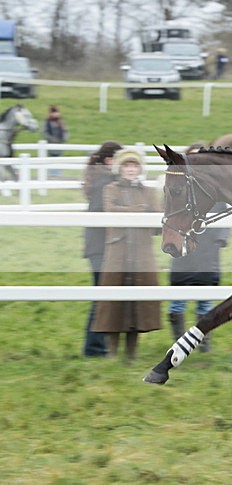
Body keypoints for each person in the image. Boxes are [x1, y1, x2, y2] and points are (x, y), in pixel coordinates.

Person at [92, 148, 162, 361]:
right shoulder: (110, 189)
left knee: (138, 305)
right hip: (118, 252)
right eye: (127, 166)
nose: (131, 170)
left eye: (134, 166)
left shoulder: (149, 192)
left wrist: (135, 209)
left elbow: (158, 218)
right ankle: (112, 353)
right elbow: (110, 212)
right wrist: (139, 209)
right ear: (120, 168)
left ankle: (132, 354)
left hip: (141, 253)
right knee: (114, 303)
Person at [168, 143, 231, 351]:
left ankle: (203, 342)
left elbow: (226, 216)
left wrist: (219, 239)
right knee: (178, 301)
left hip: (207, 253)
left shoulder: (215, 190)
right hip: (184, 254)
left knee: (205, 302)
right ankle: (179, 340)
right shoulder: (181, 188)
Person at [81, 140, 124, 357]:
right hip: (101, 249)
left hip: (100, 248)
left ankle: (98, 345)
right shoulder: (104, 184)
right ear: (109, 161)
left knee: (103, 296)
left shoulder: (103, 181)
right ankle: (94, 347)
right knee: (102, 297)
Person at [43, 105, 68, 176]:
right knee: (52, 160)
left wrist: (64, 139)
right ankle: (52, 175)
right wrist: (53, 139)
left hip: (60, 146)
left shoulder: (60, 121)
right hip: (51, 146)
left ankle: (58, 175)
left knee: (59, 160)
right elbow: (45, 133)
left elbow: (65, 131)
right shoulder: (47, 122)